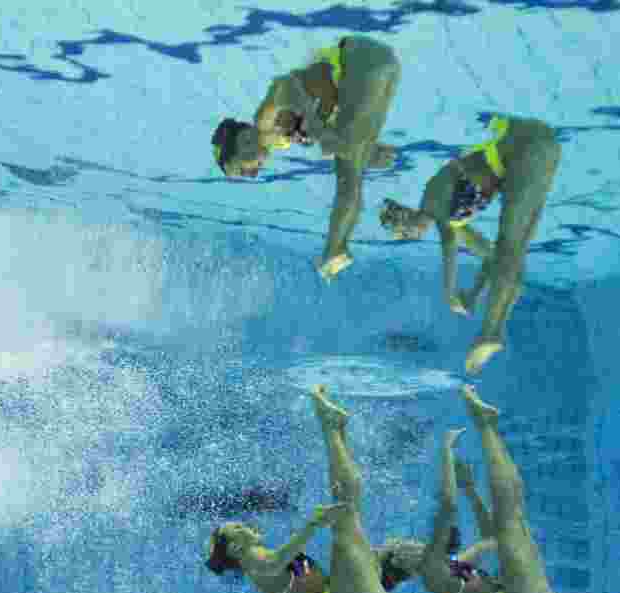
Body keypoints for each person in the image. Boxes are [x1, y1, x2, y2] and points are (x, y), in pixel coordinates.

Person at [204, 385, 423, 593]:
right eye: (239, 528)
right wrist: (312, 525)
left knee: (382, 543)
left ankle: (336, 428)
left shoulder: (260, 558)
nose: (248, 525)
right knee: (345, 514)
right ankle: (332, 426)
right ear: (235, 548)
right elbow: (274, 564)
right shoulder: (253, 561)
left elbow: (293, 572)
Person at [378, 115, 561, 374]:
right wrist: (473, 293)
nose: (413, 236)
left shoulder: (432, 198)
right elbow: (490, 257)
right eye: (407, 237)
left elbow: (448, 243)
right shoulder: (453, 222)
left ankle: (490, 332)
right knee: (510, 255)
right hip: (530, 161)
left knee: (511, 245)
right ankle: (493, 332)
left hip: (528, 148)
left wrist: (449, 292)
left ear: (405, 214)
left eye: (405, 232)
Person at [211, 35, 402, 282]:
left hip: (360, 61)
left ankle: (334, 249)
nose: (254, 173)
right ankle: (336, 248)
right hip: (378, 65)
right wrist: (356, 150)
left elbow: (286, 86)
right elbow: (324, 109)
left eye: (244, 170)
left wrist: (322, 134)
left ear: (242, 142)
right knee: (349, 170)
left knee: (347, 175)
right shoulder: (279, 138)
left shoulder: (264, 122)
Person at [398, 385, 560, 593]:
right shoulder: (430, 572)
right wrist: (446, 453)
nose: (408, 541)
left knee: (512, 519)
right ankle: (485, 425)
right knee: (510, 517)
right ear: (404, 561)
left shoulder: (451, 568)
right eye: (402, 545)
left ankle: (487, 426)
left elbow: (489, 540)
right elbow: (449, 505)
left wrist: (471, 490)